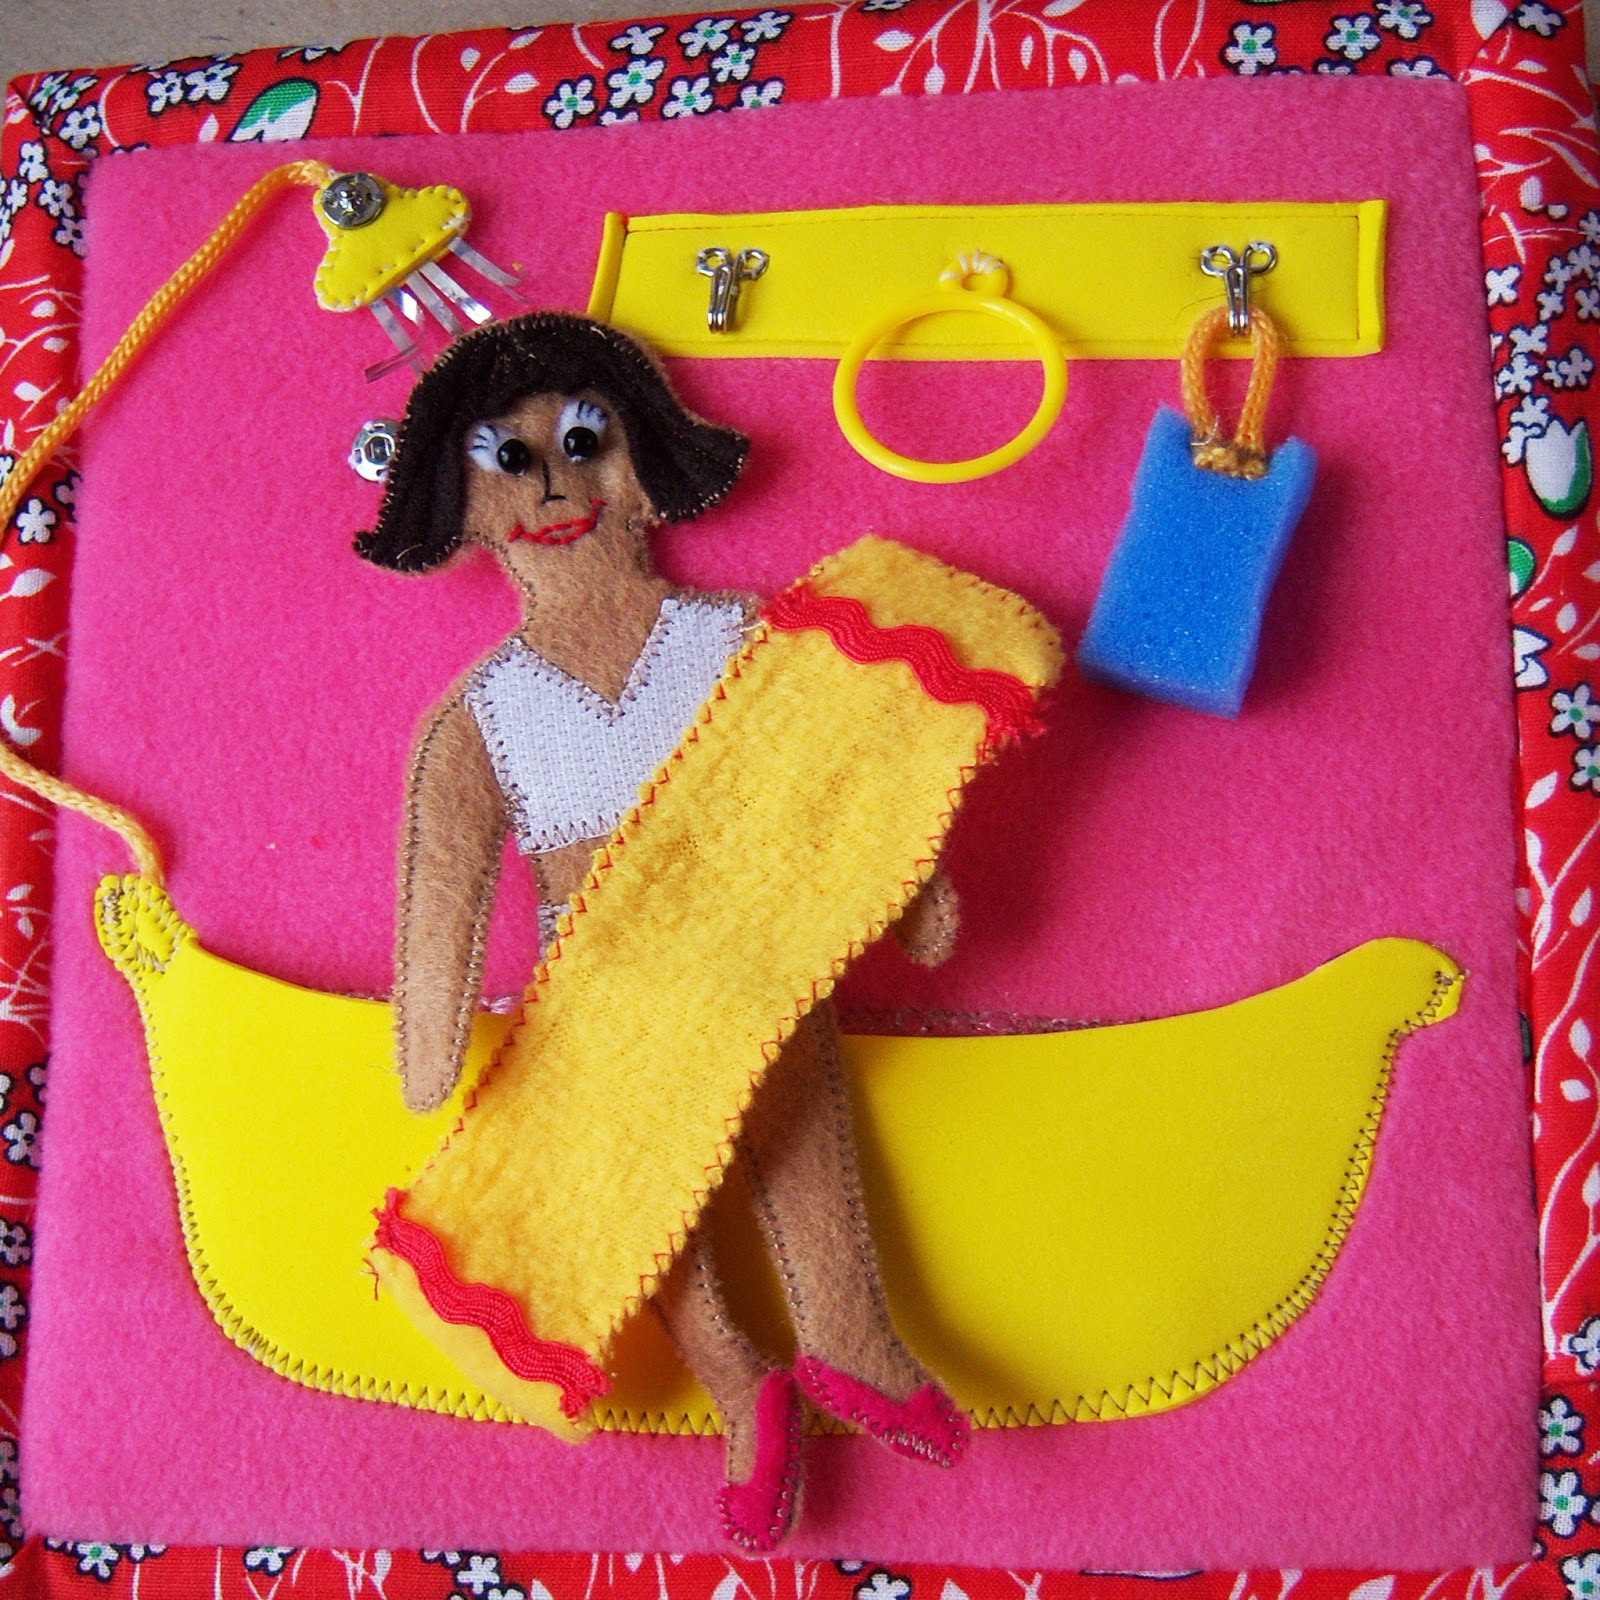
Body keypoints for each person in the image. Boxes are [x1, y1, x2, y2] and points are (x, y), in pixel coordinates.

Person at [357, 311, 968, 1551]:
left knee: (791, 1114)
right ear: (461, 504)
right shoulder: (485, 714)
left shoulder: (734, 638)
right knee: (638, 1188)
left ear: (641, 460)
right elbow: (444, 888)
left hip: (749, 938)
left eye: (584, 443)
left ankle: (847, 1332)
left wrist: (913, 883)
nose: (554, 486)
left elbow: (837, 773)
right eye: (509, 460)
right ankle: (739, 1385)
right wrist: (429, 1040)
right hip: (600, 982)